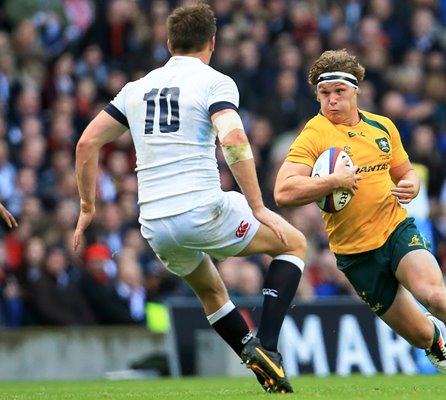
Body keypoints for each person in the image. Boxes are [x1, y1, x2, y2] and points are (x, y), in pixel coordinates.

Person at [73, 3, 306, 394]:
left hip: (155, 225)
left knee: (212, 293)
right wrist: (259, 206)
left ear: (168, 43)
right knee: (294, 244)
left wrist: (86, 207)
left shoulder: (135, 89)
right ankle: (267, 345)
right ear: (212, 43)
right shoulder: (215, 82)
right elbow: (232, 138)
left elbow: (86, 143)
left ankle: (262, 369)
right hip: (202, 209)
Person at [273, 49, 446, 389]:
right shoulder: (314, 134)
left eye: (338, 92)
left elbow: (406, 172)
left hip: (396, 230)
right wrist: (332, 181)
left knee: (435, 295)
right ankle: (434, 339)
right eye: (324, 94)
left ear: (356, 91)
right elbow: (283, 192)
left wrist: (412, 185)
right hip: (355, 255)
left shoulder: (382, 127)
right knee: (419, 334)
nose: (331, 101)